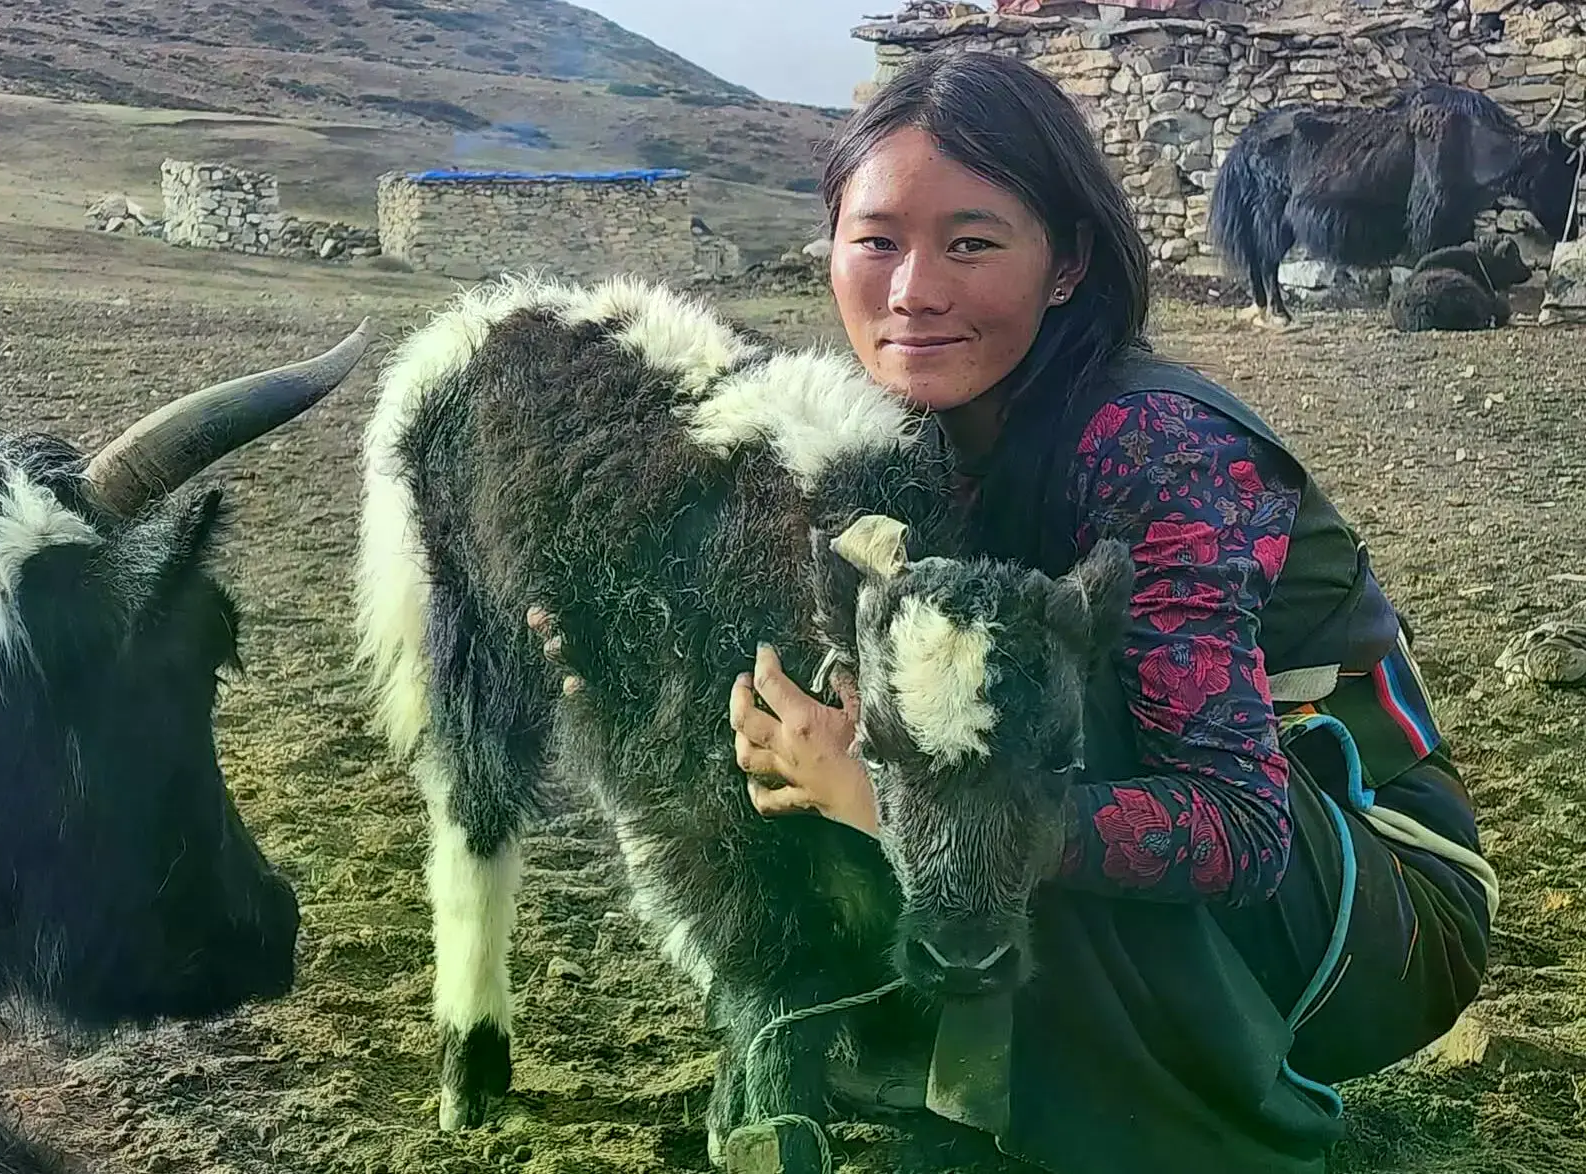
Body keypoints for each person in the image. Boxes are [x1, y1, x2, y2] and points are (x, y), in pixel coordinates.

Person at [523, 49, 1496, 1174]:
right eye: (876, 240)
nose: (912, 289)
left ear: (1067, 261)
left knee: (990, 729)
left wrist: (872, 795)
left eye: (971, 243)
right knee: (827, 684)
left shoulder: (1156, 451)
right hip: (1243, 907)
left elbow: (1235, 827)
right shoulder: (913, 438)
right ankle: (960, 1063)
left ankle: (1198, 1131)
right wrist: (627, 648)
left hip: (1365, 918)